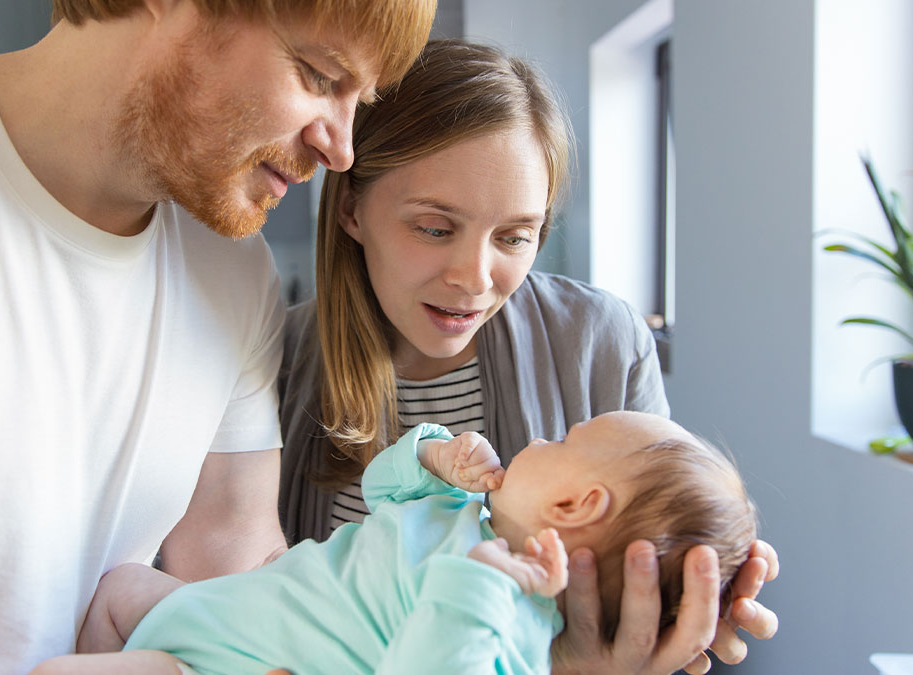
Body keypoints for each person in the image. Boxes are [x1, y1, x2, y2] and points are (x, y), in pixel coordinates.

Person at [0, 0, 435, 672]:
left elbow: (236, 575)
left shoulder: (231, 274)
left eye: (364, 98)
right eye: (320, 76)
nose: (342, 147)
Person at [276, 39, 780, 674]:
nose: (475, 277)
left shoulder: (603, 343)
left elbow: (652, 537)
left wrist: (689, 599)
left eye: (515, 237)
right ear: (350, 208)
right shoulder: (273, 361)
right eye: (434, 228)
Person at [32, 411, 757, 674]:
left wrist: (480, 582)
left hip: (227, 664)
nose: (539, 438)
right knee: (119, 586)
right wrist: (430, 457)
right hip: (215, 611)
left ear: (574, 503)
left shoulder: (509, 627)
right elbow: (381, 496)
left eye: (564, 439)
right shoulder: (467, 513)